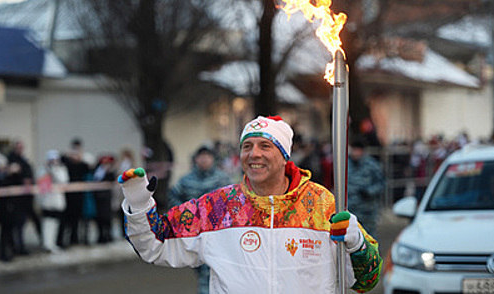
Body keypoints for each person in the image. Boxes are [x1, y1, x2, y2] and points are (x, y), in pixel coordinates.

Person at [119, 115, 382, 293]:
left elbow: (366, 280)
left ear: (284, 156)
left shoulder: (321, 204)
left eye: (265, 146)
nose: (254, 154)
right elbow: (155, 244)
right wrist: (139, 203)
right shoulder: (218, 207)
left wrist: (357, 243)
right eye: (247, 146)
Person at [167, 145, 233, 294]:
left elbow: (233, 201)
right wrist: (186, 215)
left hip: (218, 233)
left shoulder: (222, 179)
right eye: (201, 156)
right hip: (195, 234)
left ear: (213, 159)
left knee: (211, 272)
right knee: (200, 268)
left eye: (207, 156)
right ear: (196, 159)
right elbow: (173, 197)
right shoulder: (186, 180)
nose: (204, 160)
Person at [347, 136, 386, 238]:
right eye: (353, 149)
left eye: (357, 150)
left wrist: (369, 191)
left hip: (367, 211)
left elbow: (382, 183)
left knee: (369, 239)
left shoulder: (372, 165)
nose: (355, 152)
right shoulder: (345, 165)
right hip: (350, 210)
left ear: (362, 151)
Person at [36, 150, 69, 252]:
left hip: (58, 202)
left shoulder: (61, 169)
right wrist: (47, 171)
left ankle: (53, 243)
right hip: (47, 202)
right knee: (47, 224)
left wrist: (53, 171)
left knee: (55, 224)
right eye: (51, 160)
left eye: (55, 160)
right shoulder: (42, 170)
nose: (53, 162)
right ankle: (47, 244)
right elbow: (40, 182)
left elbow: (63, 181)